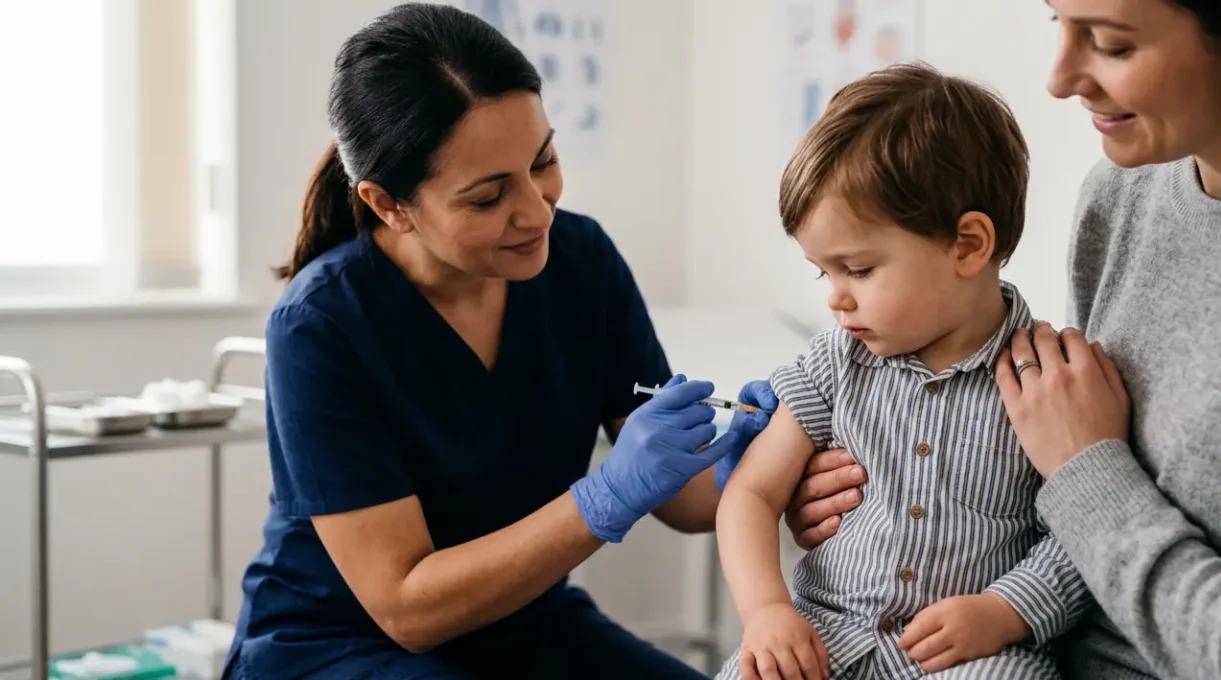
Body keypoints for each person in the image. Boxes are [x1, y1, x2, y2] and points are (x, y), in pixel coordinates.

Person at [221, 4, 867, 679]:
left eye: (544, 161)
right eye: (487, 197)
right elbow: (406, 610)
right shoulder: (321, 327)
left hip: (525, 625)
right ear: (390, 205)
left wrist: (759, 472)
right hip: (339, 647)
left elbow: (680, 498)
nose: (536, 211)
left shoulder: (580, 259)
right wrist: (603, 499)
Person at [713, 63, 1091, 680]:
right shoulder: (834, 363)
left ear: (968, 245)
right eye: (823, 272)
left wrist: (1005, 610)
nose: (836, 297)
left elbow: (1084, 530)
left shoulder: (1044, 382)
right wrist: (766, 612)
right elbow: (751, 494)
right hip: (826, 637)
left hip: (970, 654)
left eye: (858, 270)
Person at [993, 1, 1221, 678]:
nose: (1059, 80)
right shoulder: (1120, 197)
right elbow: (1059, 481)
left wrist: (1087, 465)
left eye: (1112, 45)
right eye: (1057, 21)